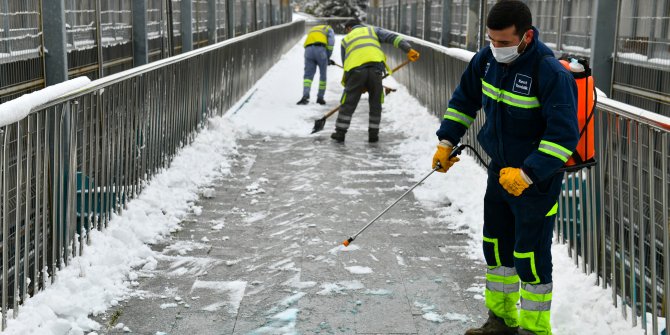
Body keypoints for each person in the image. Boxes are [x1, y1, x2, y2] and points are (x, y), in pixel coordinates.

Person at [431, 1, 579, 334]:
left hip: (536, 180)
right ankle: (500, 320)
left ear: (526, 36)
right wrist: (445, 142)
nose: (495, 48)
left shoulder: (550, 72)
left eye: (503, 42)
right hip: (499, 171)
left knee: (530, 253)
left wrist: (527, 173)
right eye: (491, 40)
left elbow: (563, 136)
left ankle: (534, 329)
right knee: (496, 246)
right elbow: (464, 100)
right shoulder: (486, 61)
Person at [330, 19, 419, 143]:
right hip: (375, 70)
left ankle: (340, 133)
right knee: (375, 103)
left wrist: (356, 85)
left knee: (348, 102)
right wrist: (408, 49)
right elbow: (393, 38)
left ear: (349, 28)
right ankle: (373, 135)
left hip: (355, 72)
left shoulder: (346, 40)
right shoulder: (372, 30)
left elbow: (346, 64)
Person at [297, 24, 336, 105]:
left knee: (308, 76)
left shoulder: (314, 28)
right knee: (323, 75)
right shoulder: (329, 28)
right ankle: (320, 98)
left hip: (308, 50)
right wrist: (327, 57)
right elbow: (331, 44)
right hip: (320, 50)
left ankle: (305, 96)